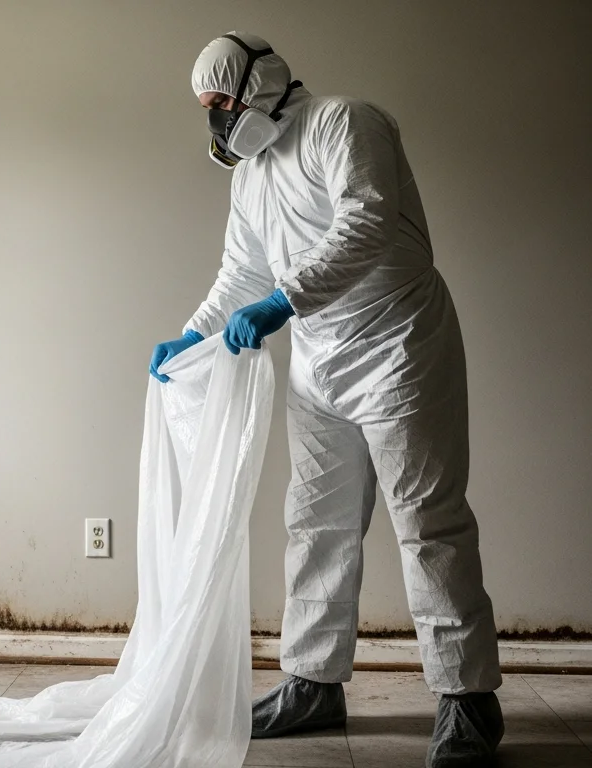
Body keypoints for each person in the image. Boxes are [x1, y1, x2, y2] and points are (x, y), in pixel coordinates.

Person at [149, 32, 505, 767]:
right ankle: (312, 681)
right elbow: (240, 273)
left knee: (428, 522)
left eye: (221, 102)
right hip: (318, 361)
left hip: (398, 342)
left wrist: (285, 301)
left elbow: (368, 220)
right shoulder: (249, 176)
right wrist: (191, 336)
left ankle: (468, 700)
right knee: (315, 523)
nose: (217, 122)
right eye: (207, 110)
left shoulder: (344, 122)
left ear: (262, 81)